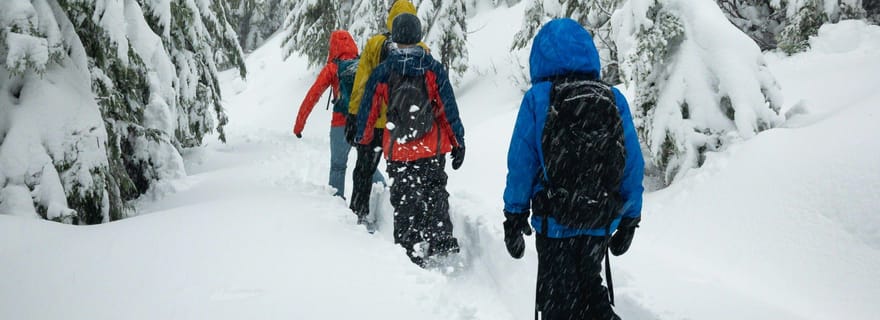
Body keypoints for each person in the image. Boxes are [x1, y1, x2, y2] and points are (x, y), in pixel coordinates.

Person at [501, 18, 645, 319]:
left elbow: (521, 163)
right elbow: (631, 163)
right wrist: (630, 218)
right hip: (598, 218)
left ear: (539, 58)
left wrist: (514, 215)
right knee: (591, 288)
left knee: (558, 298)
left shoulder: (538, 99)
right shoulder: (612, 97)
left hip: (554, 220)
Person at [354, 13, 466, 267]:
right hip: (432, 147)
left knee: (405, 199)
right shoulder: (432, 68)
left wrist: (364, 137)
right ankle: (440, 239)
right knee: (435, 191)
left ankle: (410, 248)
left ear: (394, 37)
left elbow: (368, 110)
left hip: (399, 149)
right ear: (419, 36)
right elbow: (448, 108)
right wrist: (458, 141)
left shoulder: (384, 71)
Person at [345, 0, 428, 225]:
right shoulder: (422, 50)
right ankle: (406, 223)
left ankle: (358, 212)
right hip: (404, 127)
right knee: (405, 175)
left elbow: (361, 84)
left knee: (364, 170)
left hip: (374, 123)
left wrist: (354, 116)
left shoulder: (374, 44)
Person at [292, 30, 383, 198]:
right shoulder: (362, 63)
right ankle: (383, 194)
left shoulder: (332, 68)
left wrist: (299, 126)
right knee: (367, 164)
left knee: (338, 167)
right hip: (363, 123)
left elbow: (312, 96)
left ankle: (337, 207)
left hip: (341, 124)